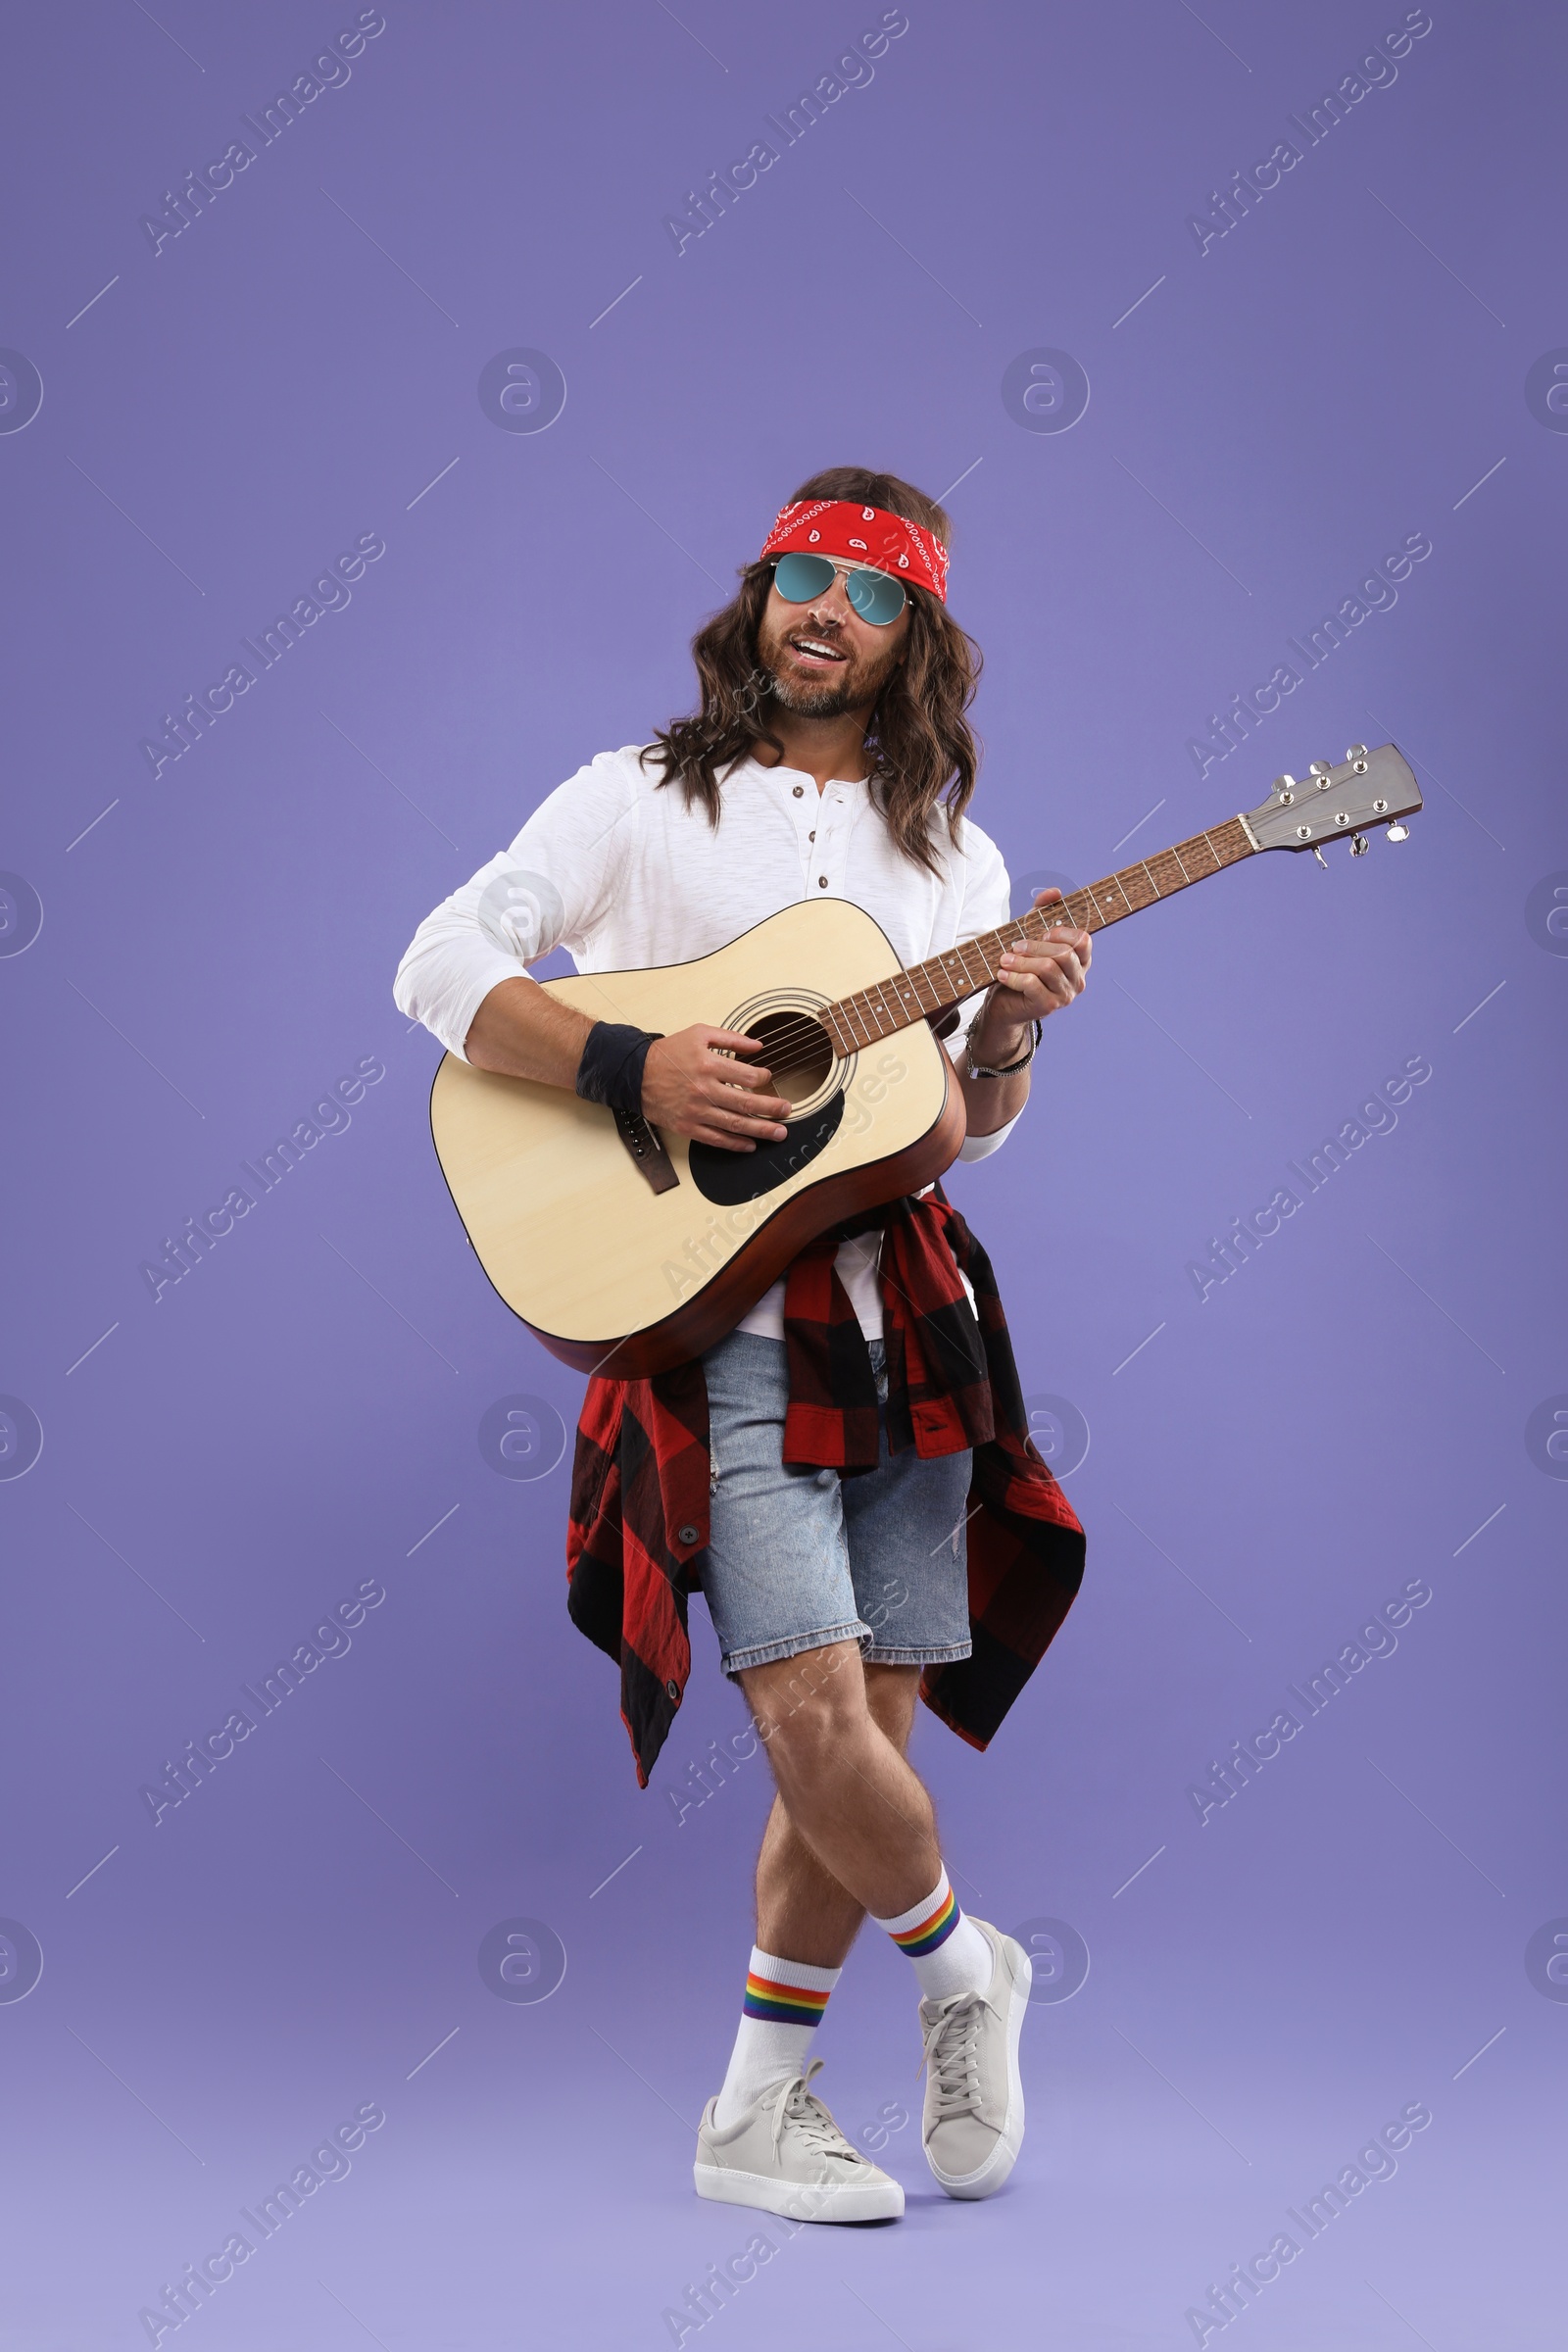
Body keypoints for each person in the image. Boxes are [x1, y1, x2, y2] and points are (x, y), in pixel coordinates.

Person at [395, 466, 1091, 2222]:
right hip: (723, 1324)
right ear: (757, 593)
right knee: (801, 1711)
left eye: (865, 593)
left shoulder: (956, 861)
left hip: (908, 1320)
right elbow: (434, 958)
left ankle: (752, 2112)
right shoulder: (634, 796)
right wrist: (625, 1066)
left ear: (914, 636)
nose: (822, 610)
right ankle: (964, 1968)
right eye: (800, 573)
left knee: (875, 1723)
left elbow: (959, 1129)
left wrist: (1003, 1036)